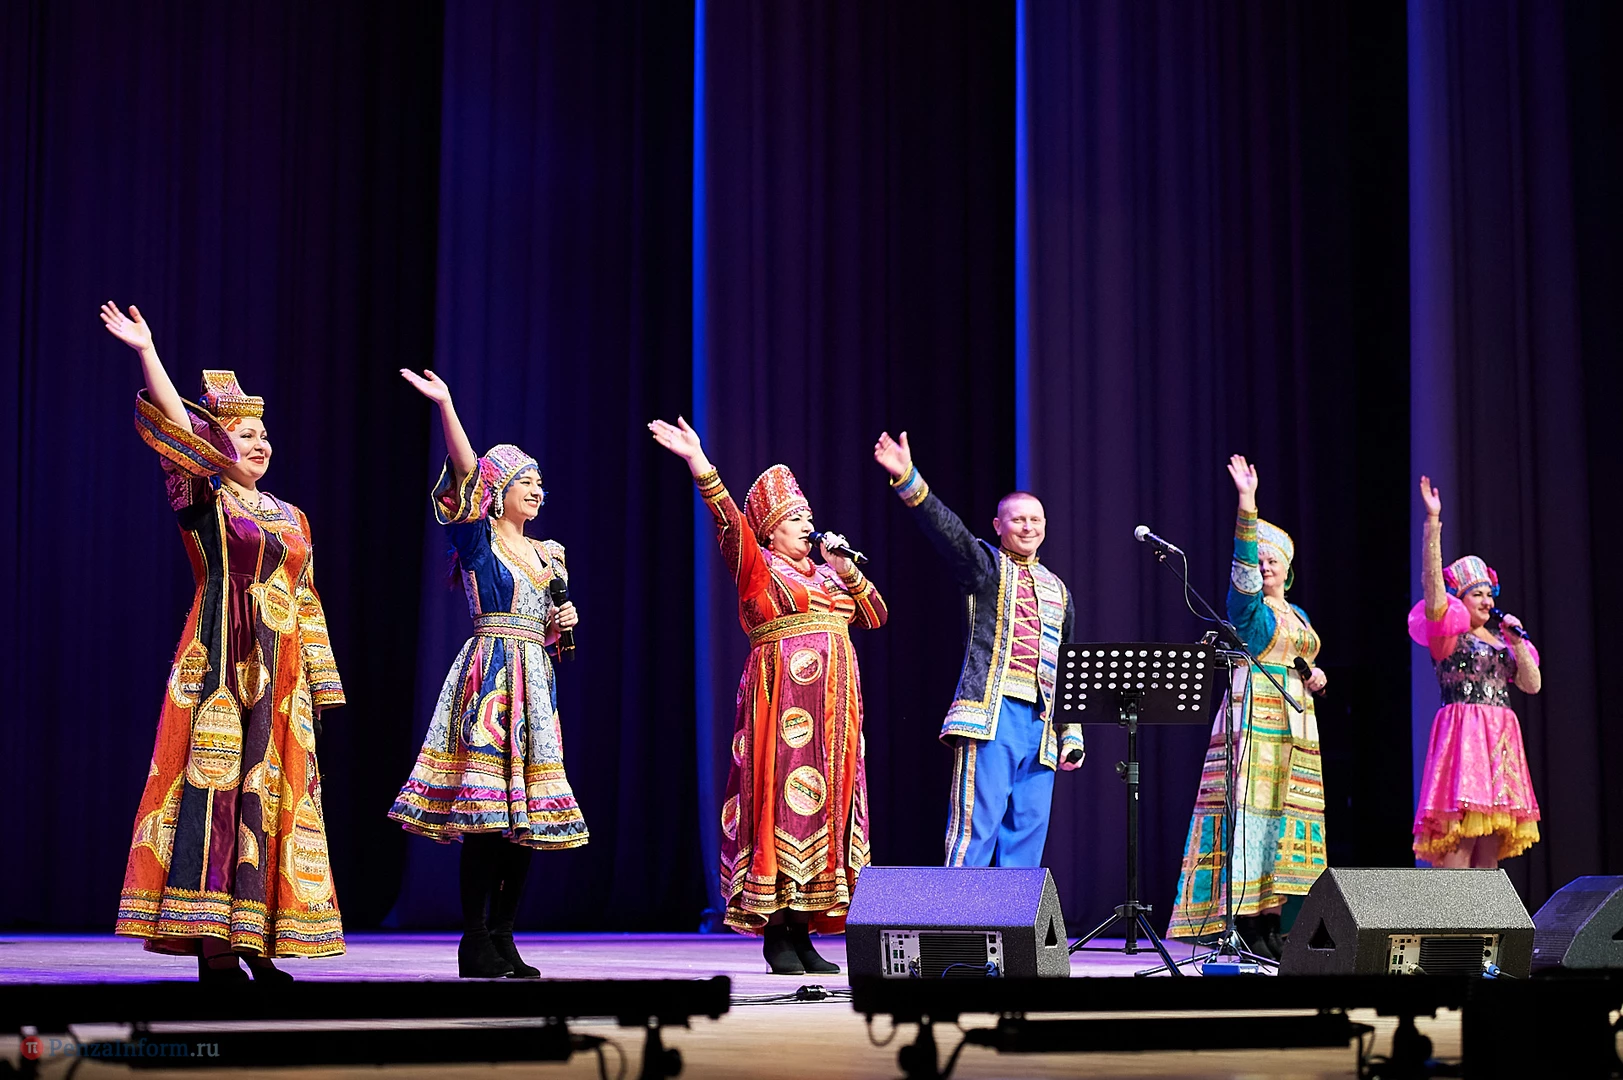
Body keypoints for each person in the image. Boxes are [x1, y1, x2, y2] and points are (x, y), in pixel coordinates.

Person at [103, 301, 346, 982]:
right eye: (244, 435)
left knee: (272, 795)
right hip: (221, 652)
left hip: (281, 668)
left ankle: (259, 940)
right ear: (216, 447)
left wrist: (317, 683)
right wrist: (148, 352)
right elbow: (178, 432)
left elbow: (306, 598)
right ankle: (215, 946)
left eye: (265, 434)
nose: (261, 444)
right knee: (217, 789)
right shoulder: (203, 498)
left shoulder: (293, 517)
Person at [649, 417, 887, 975]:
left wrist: (847, 569)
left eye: (809, 517)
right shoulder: (759, 569)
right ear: (772, 531)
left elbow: (875, 615)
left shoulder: (830, 576)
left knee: (828, 807)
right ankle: (776, 932)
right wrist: (699, 462)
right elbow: (728, 521)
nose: (809, 526)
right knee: (778, 802)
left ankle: (804, 930)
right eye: (796, 519)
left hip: (834, 717)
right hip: (781, 705)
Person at [387, 369, 584, 978]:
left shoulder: (550, 554)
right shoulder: (479, 541)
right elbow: (466, 471)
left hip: (535, 683)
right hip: (491, 676)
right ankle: (474, 938)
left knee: (526, 819)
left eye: (541, 482)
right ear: (497, 492)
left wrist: (562, 622)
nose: (538, 490)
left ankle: (504, 935)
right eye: (527, 481)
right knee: (487, 817)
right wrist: (448, 405)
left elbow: (554, 637)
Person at [872, 432, 1083, 867]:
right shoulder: (987, 568)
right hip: (993, 713)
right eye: (1018, 520)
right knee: (976, 829)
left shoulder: (1059, 590)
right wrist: (909, 478)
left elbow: (1069, 664)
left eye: (1035, 520)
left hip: (1041, 727)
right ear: (998, 526)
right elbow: (949, 533)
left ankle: (1014, 914)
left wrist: (1071, 733)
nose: (1028, 527)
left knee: (1028, 834)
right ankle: (960, 911)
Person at [1166, 455, 1328, 960]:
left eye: (1272, 561)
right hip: (1254, 717)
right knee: (1250, 816)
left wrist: (1316, 675)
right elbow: (1242, 571)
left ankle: (1275, 922)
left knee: (1282, 820)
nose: (1264, 566)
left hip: (1297, 726)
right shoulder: (1249, 609)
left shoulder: (1298, 613)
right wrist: (1247, 505)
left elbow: (1303, 660)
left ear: (1288, 569)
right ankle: (1244, 922)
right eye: (1260, 561)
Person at [1409, 475, 1541, 867]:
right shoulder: (1448, 634)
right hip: (1463, 737)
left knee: (1488, 857)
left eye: (1488, 593)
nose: (1485, 600)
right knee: (1459, 844)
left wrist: (1517, 642)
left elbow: (1531, 685)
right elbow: (1433, 587)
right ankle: (1450, 909)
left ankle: (1486, 910)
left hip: (1500, 741)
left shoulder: (1502, 640)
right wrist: (1433, 523)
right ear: (1459, 600)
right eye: (1476, 594)